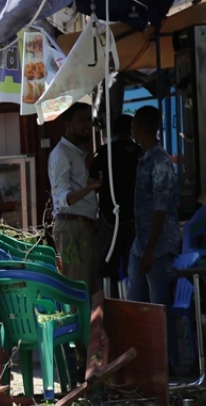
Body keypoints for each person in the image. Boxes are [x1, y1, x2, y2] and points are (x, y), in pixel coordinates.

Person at [130, 105, 180, 370]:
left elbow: (161, 208)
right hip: (142, 244)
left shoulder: (159, 161)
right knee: (136, 302)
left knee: (159, 306)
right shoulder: (144, 158)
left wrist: (149, 250)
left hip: (157, 246)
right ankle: (142, 359)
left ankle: (168, 361)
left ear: (138, 128)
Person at [49, 102, 104, 298]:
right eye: (81, 121)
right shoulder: (62, 154)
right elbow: (64, 199)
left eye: (88, 120)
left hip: (82, 227)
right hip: (73, 228)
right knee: (77, 293)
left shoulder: (76, 153)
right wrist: (89, 188)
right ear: (68, 124)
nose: (86, 125)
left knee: (86, 288)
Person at [90, 114, 141, 292]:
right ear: (132, 130)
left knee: (104, 267)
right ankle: (134, 307)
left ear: (113, 132)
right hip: (136, 220)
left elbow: (92, 183)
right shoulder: (140, 153)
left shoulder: (104, 152)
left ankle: (107, 307)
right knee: (134, 269)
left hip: (110, 218)